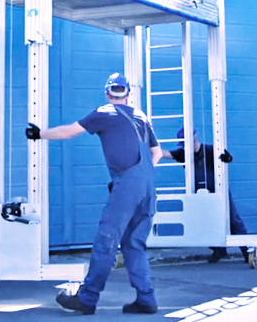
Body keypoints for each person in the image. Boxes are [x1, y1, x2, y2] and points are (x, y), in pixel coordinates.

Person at [25, 73, 162, 315]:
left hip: (128, 184)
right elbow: (157, 153)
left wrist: (39, 134)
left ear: (107, 93)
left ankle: (87, 299)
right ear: (128, 94)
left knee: (106, 240)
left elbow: (68, 132)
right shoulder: (141, 116)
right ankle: (146, 298)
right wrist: (140, 177)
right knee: (134, 243)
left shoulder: (104, 112)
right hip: (148, 185)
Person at [162, 128, 249, 263]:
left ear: (194, 140)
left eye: (186, 143)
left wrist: (226, 158)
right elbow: (166, 154)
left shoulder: (210, 150)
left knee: (232, 220)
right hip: (200, 195)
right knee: (206, 222)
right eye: (183, 145)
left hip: (219, 191)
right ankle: (219, 250)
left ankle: (247, 251)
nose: (184, 147)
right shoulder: (184, 153)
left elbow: (228, 158)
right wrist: (150, 145)